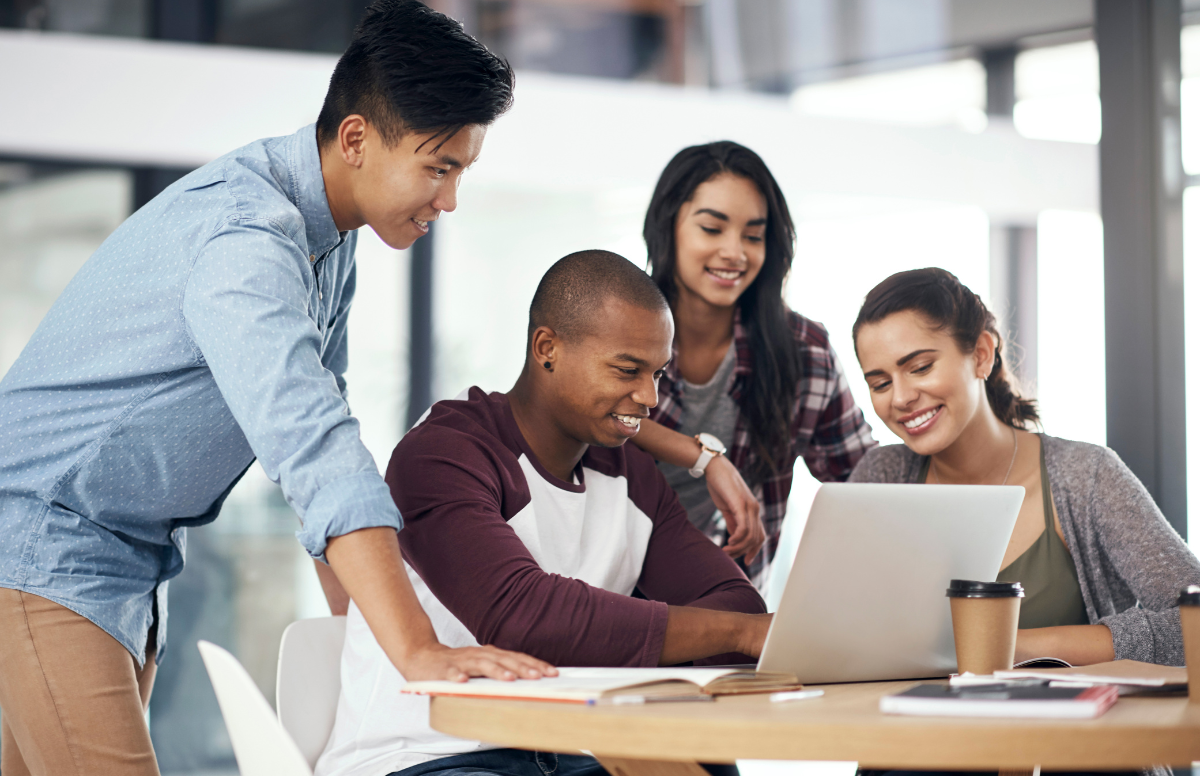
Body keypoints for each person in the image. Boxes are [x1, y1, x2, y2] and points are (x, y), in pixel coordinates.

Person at [0, 3, 556, 774]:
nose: (450, 200)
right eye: (439, 167)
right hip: (45, 541)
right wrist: (414, 649)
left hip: (125, 559)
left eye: (462, 170)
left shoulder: (328, 244)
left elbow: (325, 428)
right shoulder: (246, 242)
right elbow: (314, 449)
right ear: (357, 138)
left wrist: (358, 646)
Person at [315, 250, 770, 776]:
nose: (649, 396)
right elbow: (525, 617)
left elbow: (737, 602)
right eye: (628, 370)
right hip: (429, 754)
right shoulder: (443, 454)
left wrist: (727, 631)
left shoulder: (630, 474)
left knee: (705, 765)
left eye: (658, 373)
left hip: (565, 750)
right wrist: (735, 634)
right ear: (547, 348)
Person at [849, 267, 1200, 667]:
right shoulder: (880, 477)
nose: (901, 397)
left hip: (1058, 727)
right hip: (901, 726)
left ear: (981, 353)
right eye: (880, 384)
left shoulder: (1085, 476)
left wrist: (1003, 646)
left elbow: (1194, 623)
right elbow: (830, 626)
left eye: (920, 367)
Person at [631, 141, 876, 587]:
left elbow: (865, 485)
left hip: (725, 608)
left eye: (753, 236)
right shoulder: (617, 324)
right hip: (605, 594)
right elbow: (570, 415)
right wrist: (707, 459)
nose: (735, 253)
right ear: (669, 228)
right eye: (712, 228)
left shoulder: (804, 351)